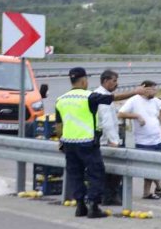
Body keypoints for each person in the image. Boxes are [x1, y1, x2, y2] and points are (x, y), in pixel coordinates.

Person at [55, 67, 147, 218]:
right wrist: (135, 92)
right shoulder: (89, 96)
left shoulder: (61, 99)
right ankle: (94, 207)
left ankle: (80, 206)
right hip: (87, 143)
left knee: (76, 174)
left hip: (69, 144)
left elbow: (59, 125)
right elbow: (113, 98)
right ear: (84, 80)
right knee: (96, 174)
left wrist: (61, 141)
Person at [117, 80, 161, 199]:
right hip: (143, 140)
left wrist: (159, 121)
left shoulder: (156, 101)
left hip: (157, 139)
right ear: (144, 88)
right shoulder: (134, 100)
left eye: (156, 89)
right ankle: (159, 182)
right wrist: (137, 116)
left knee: (152, 165)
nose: (154, 92)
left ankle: (146, 192)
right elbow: (121, 113)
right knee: (147, 166)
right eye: (152, 89)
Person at [95, 69, 124, 205]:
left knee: (110, 171)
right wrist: (114, 141)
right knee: (112, 171)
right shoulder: (102, 97)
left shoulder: (103, 94)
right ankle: (108, 196)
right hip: (105, 141)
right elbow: (107, 122)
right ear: (106, 81)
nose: (116, 84)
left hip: (105, 139)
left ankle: (108, 196)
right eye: (114, 81)